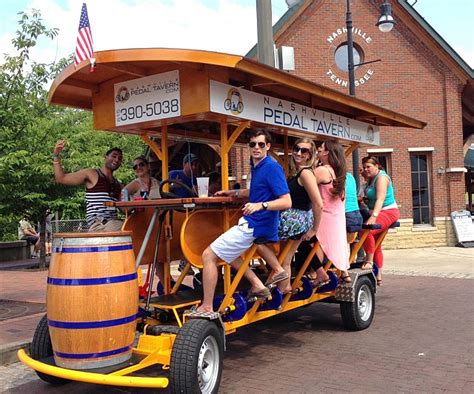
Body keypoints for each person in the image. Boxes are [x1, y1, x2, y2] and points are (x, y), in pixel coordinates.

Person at [196, 130, 291, 313]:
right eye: (253, 144)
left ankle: (206, 306)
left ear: (268, 147)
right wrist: (233, 193)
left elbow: (287, 201)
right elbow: (258, 191)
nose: (256, 148)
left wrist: (260, 206)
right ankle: (257, 284)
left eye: (261, 144)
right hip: (255, 223)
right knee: (229, 254)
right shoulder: (256, 165)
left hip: (256, 224)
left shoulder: (271, 167)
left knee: (209, 255)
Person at [259, 138, 323, 294]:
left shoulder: (306, 173)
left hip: (295, 220)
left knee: (256, 238)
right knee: (286, 257)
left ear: (310, 155)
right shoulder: (300, 172)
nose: (299, 152)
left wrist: (314, 229)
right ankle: (283, 288)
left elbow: (318, 203)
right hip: (297, 220)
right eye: (296, 148)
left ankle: (275, 273)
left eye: (304, 150)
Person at [52, 140, 124, 232]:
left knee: (131, 226)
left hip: (113, 224)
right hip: (98, 224)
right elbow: (61, 178)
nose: (117, 159)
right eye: (114, 156)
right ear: (105, 157)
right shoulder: (92, 174)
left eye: (120, 158)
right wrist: (56, 155)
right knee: (122, 226)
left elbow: (124, 209)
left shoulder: (118, 185)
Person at [306, 140, 351, 286]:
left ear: (327, 152)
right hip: (336, 215)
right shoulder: (337, 171)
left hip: (324, 214)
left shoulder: (322, 170)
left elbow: (304, 182)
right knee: (334, 242)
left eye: (321, 147)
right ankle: (344, 272)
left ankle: (315, 273)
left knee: (315, 241)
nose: (318, 149)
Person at [360, 156, 400, 286]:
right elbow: (371, 197)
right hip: (377, 211)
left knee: (367, 231)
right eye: (364, 167)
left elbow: (380, 199)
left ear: (377, 166)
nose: (366, 169)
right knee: (376, 244)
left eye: (368, 167)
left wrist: (373, 217)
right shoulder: (371, 179)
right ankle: (378, 276)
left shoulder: (382, 178)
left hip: (388, 211)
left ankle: (369, 262)